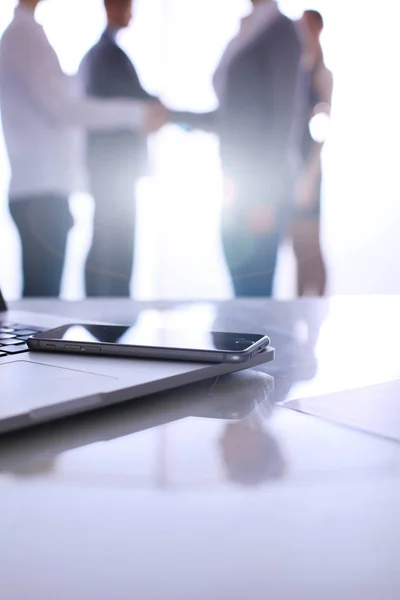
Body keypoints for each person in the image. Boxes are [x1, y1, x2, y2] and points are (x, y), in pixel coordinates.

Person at [0, 0, 166, 298]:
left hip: (47, 192)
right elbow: (61, 109)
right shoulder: (22, 36)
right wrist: (136, 114)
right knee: (42, 308)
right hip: (40, 194)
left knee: (44, 305)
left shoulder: (29, 34)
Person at [212, 0, 303, 297]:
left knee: (255, 294)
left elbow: (283, 114)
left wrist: (265, 196)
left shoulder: (281, 30)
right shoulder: (248, 29)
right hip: (236, 182)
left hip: (260, 189)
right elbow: (229, 111)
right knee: (241, 289)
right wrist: (174, 116)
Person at [79, 0, 159, 297]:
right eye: (127, 5)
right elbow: (131, 103)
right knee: (114, 245)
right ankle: (107, 325)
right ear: (111, 6)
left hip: (114, 169)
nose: (132, 12)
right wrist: (157, 109)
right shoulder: (105, 55)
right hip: (113, 170)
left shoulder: (106, 53)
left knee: (112, 242)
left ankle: (108, 323)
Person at [291, 10, 333, 296]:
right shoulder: (296, 68)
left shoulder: (322, 74)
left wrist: (309, 174)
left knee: (309, 243)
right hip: (292, 164)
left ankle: (315, 307)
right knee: (297, 243)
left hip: (308, 167)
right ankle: (298, 307)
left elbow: (321, 129)